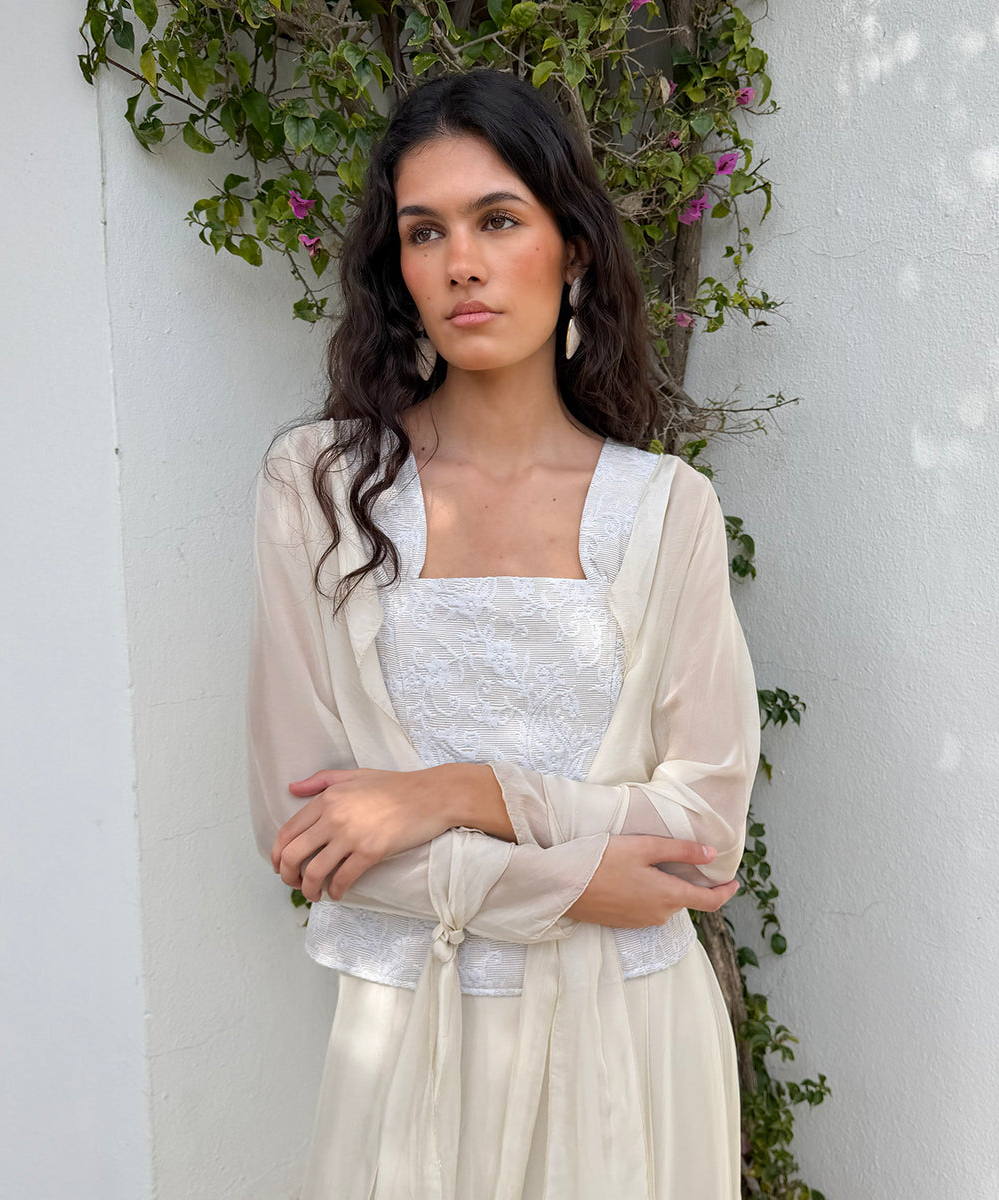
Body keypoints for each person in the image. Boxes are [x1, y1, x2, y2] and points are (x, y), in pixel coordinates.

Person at [247, 67, 760, 1200]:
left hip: (632, 1035)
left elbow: (702, 832)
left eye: (497, 220)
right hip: (413, 1046)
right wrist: (574, 885)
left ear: (572, 249)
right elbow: (307, 836)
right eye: (424, 231)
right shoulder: (320, 487)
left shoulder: (664, 507)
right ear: (398, 268)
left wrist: (450, 793)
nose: (461, 263)